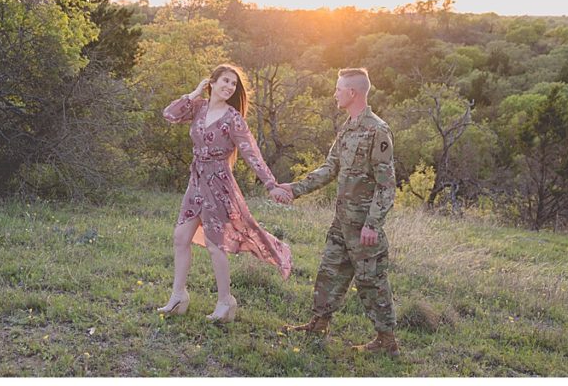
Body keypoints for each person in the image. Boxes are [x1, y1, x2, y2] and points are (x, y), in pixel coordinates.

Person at [278, 68, 400, 356]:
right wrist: (294, 189)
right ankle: (319, 323)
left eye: (338, 89)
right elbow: (330, 167)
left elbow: (387, 186)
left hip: (363, 228)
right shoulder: (347, 127)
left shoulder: (377, 130)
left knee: (371, 282)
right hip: (342, 222)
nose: (334, 93)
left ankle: (387, 342)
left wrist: (372, 224)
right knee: (329, 273)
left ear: (352, 93)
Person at [156, 64, 293, 322]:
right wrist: (195, 92)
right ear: (213, 82)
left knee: (214, 244)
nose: (229, 87)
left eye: (233, 84)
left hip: (219, 185)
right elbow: (169, 114)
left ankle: (225, 302)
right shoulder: (199, 108)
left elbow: (252, 153)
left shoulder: (233, 119)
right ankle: (178, 296)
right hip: (196, 181)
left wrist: (271, 184)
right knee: (180, 237)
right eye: (226, 81)